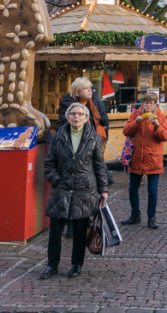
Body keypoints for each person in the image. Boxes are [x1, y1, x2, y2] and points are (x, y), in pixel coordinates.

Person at [40, 102, 110, 279]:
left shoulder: (93, 138)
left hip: (84, 190)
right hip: (61, 190)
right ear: (67, 116)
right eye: (73, 114)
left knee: (79, 231)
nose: (76, 117)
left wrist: (103, 189)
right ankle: (52, 265)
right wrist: (56, 180)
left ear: (86, 118)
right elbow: (49, 164)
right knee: (55, 232)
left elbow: (99, 166)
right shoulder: (58, 137)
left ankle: (76, 265)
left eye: (80, 114)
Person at [121, 92, 167, 229]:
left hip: (153, 158)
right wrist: (136, 122)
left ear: (155, 104)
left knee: (152, 190)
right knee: (132, 188)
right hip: (136, 158)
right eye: (146, 103)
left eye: (151, 103)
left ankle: (151, 217)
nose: (148, 106)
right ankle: (135, 215)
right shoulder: (136, 114)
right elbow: (126, 131)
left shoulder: (161, 117)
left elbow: (165, 136)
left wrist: (157, 125)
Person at [58, 78, 110, 142]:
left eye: (90, 88)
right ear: (77, 92)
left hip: (98, 140)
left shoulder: (96, 102)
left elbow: (105, 121)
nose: (90, 90)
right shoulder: (68, 105)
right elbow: (63, 126)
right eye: (85, 88)